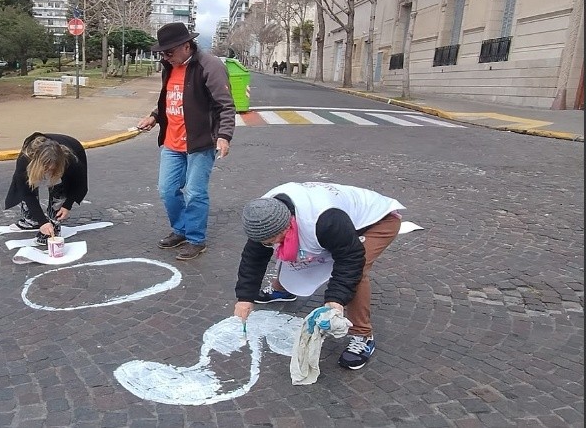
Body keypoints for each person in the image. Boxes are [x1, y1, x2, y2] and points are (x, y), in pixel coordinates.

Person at [233, 182, 405, 370]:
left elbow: (350, 259)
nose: (270, 243)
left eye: (273, 239)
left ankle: (362, 335)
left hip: (377, 221)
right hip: (333, 223)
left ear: (285, 226)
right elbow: (254, 257)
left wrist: (335, 300)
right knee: (290, 247)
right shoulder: (262, 217)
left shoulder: (324, 220)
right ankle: (282, 289)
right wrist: (245, 298)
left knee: (359, 270)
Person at [136, 22, 236, 261]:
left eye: (168, 52)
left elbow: (225, 105)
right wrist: (154, 116)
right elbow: (172, 98)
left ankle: (195, 238)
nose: (165, 56)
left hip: (199, 142)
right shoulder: (169, 66)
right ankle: (180, 229)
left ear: (185, 45)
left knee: (194, 192)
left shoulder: (209, 65)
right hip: (172, 142)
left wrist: (224, 136)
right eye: (162, 52)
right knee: (167, 190)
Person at [4, 133, 88, 246]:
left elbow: (79, 184)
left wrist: (67, 205)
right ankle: (32, 219)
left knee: (59, 189)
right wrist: (42, 221)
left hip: (71, 150)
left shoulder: (71, 160)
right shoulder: (25, 159)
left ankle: (53, 225)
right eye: (45, 169)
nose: (47, 172)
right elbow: (25, 192)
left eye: (51, 169)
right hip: (36, 163)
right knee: (28, 183)